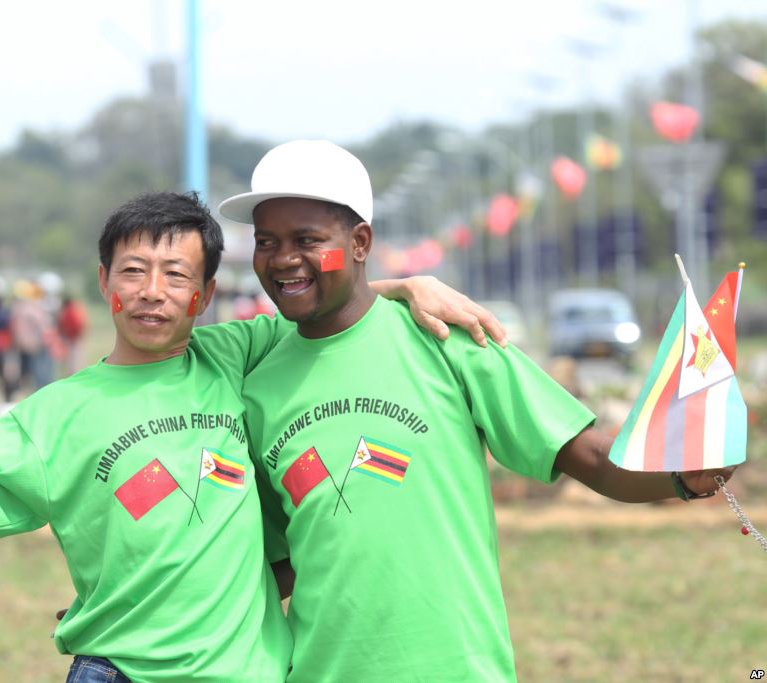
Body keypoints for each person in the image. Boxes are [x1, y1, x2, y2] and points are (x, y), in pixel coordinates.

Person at [0, 191, 507, 682]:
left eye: (175, 275)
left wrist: (405, 286)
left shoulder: (235, 355)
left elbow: (330, 301)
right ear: (103, 280)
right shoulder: (54, 415)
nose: (151, 292)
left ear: (207, 293)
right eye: (133, 272)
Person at [221, 140, 738, 683]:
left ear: (360, 242)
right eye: (266, 242)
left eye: (306, 240)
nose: (282, 258)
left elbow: (589, 456)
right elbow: (274, 562)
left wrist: (683, 478)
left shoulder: (449, 340)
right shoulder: (257, 390)